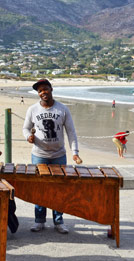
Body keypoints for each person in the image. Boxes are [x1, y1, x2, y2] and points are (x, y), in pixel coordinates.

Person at [23, 79, 81, 234]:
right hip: (39, 155)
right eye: (40, 90)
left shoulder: (62, 109)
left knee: (58, 189)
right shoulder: (33, 109)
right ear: (38, 93)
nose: (43, 93)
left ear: (51, 89)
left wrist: (75, 152)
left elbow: (71, 132)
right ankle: (39, 221)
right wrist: (28, 136)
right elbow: (26, 128)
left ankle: (58, 221)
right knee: (40, 188)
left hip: (58, 155)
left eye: (45, 89)